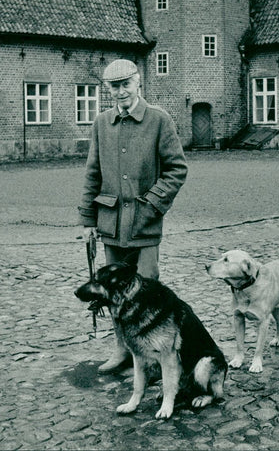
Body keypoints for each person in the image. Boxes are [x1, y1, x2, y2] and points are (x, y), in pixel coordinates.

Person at [79, 58, 188, 373]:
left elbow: (176, 169)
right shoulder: (101, 123)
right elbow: (92, 174)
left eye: (126, 84)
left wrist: (152, 203)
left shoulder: (158, 120)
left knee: (146, 290)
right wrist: (88, 220)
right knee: (113, 292)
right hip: (110, 223)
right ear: (108, 89)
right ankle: (122, 349)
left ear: (139, 82)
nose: (121, 91)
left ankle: (153, 357)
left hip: (144, 224)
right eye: (114, 86)